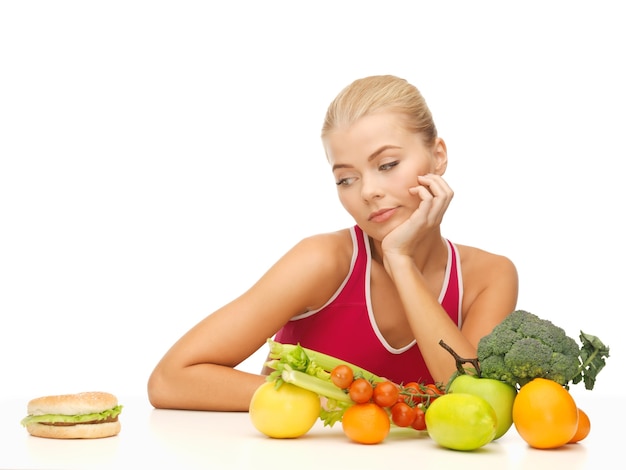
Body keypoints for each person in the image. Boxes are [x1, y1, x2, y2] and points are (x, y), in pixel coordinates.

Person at [147, 74, 519, 411]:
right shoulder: (322, 261)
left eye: (387, 164)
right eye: (346, 179)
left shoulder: (489, 277)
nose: (369, 191)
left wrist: (400, 260)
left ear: (438, 156)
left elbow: (474, 404)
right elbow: (170, 378)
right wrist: (329, 400)